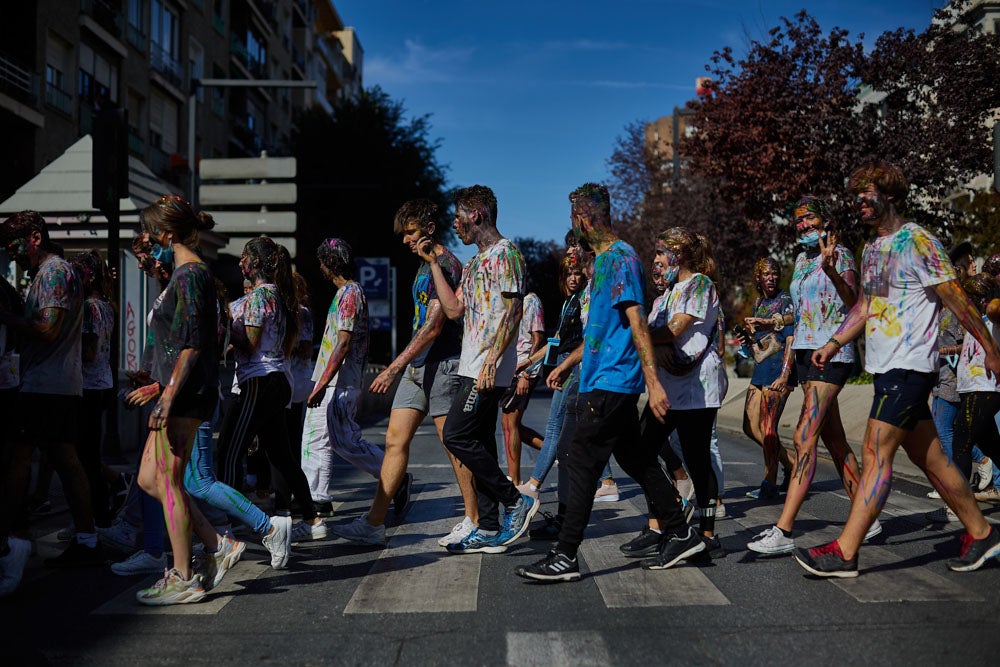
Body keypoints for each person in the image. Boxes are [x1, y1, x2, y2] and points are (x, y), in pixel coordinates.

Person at [794, 160, 1000, 577]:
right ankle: (983, 534)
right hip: (886, 368)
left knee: (875, 453)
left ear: (889, 194)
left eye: (866, 194)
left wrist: (990, 347)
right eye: (855, 197)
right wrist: (833, 342)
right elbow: (866, 306)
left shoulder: (918, 241)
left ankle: (846, 551)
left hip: (910, 368)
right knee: (933, 459)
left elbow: (955, 297)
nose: (859, 204)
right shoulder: (873, 249)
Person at [516, 184, 703, 582]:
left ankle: (565, 555)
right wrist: (568, 364)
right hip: (599, 378)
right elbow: (600, 331)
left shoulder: (620, 259)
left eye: (573, 219)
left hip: (613, 382)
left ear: (584, 218)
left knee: (581, 460)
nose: (573, 227)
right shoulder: (602, 263)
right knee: (635, 459)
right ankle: (680, 530)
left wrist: (653, 383)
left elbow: (636, 320)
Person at [331, 199, 476, 546]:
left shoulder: (446, 264)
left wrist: (393, 367)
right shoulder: (423, 267)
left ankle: (474, 518)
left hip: (442, 365)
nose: (405, 240)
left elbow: (434, 327)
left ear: (427, 228)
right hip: (417, 366)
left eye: (410, 232)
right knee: (395, 440)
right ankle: (374, 523)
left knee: (452, 445)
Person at [748, 195, 880, 556]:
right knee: (835, 441)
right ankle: (870, 519)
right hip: (807, 353)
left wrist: (832, 267)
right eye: (798, 221)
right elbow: (801, 311)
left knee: (805, 439)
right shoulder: (801, 261)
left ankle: (784, 529)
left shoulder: (842, 254)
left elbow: (855, 303)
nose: (802, 226)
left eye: (808, 219)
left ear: (824, 220)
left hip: (832, 354)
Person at [415, 185, 537, 554]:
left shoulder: (507, 255)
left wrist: (491, 360)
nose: (456, 224)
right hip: (471, 365)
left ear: (478, 214)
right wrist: (434, 262)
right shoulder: (473, 263)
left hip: (490, 368)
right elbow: (453, 311)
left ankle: (516, 501)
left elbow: (514, 312)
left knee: (455, 435)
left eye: (459, 217)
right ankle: (487, 527)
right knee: (479, 442)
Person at [132, 195, 236, 604]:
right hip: (179, 392)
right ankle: (215, 543)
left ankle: (183, 575)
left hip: (186, 397)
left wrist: (167, 397)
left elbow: (194, 345)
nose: (147, 238)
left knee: (169, 481)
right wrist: (159, 387)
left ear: (167, 233)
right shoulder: (184, 274)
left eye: (150, 230)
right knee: (148, 479)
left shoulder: (191, 274)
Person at [0, 211, 101, 599]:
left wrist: (8, 318)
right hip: (53, 383)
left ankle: (11, 539)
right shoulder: (50, 273)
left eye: (16, 244)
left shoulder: (55, 273)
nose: (14, 254)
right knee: (64, 459)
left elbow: (48, 327)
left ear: (35, 237)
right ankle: (88, 540)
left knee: (17, 458)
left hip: (47, 385)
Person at [215, 237, 321, 546]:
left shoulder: (260, 297)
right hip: (278, 381)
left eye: (244, 257)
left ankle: (230, 529)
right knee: (281, 454)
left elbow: (249, 342)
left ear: (256, 263)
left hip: (259, 380)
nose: (240, 263)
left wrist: (226, 325)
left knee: (229, 453)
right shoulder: (283, 297)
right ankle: (312, 517)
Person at [304, 238, 382, 519]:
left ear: (331, 264)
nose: (321, 267)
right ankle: (318, 498)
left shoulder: (349, 294)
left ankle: (393, 477)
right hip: (335, 379)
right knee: (321, 440)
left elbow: (343, 343)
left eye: (323, 262)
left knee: (342, 441)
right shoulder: (346, 293)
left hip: (339, 381)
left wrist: (322, 384)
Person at [738, 258, 795, 501]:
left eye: (774, 273)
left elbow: (791, 339)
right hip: (761, 371)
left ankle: (769, 483)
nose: (770, 277)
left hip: (778, 372)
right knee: (749, 427)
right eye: (766, 274)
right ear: (758, 278)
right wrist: (747, 342)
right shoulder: (759, 303)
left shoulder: (785, 301)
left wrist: (785, 375)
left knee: (769, 429)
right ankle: (791, 464)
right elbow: (760, 347)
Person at [71, 250, 117, 528]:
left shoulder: (89, 307)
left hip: (87, 385)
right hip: (102, 383)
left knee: (85, 457)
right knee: (88, 454)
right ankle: (98, 513)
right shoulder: (106, 305)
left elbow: (88, 352)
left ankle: (97, 516)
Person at [501, 290, 546, 485]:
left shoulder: (531, 301)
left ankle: (515, 481)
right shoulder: (508, 301)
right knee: (512, 425)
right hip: (509, 370)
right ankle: (556, 452)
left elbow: (538, 339)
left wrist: (526, 374)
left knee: (509, 424)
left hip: (523, 371)